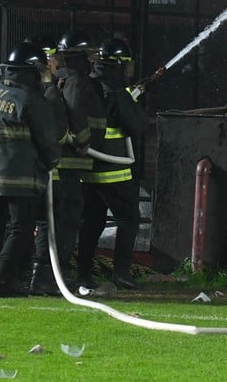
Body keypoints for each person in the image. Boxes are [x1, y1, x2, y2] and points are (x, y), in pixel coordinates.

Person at [0, 42, 60, 297]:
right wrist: (51, 162)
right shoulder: (32, 99)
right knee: (20, 229)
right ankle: (0, 282)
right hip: (21, 179)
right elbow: (48, 142)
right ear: (32, 70)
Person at [30, 32, 99, 295]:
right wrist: (84, 141)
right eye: (90, 55)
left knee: (49, 221)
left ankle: (43, 275)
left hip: (49, 165)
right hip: (68, 165)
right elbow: (76, 117)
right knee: (66, 222)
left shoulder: (52, 82)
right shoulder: (76, 82)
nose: (93, 61)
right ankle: (50, 276)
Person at [77, 37, 148, 290]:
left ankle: (83, 273)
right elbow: (138, 126)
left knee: (91, 221)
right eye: (127, 64)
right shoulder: (117, 92)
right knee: (129, 219)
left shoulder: (87, 85)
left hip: (86, 170)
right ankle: (121, 273)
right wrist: (129, 99)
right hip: (115, 171)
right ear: (119, 64)